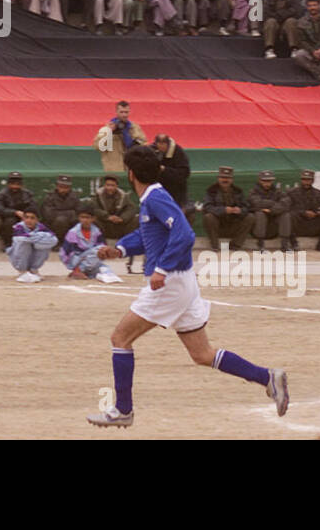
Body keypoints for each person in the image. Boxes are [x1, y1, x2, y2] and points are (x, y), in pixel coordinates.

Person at [88, 145, 289, 428]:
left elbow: (183, 233)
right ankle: (268, 377)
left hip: (169, 284)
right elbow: (150, 233)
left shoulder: (155, 197)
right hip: (182, 282)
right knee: (202, 354)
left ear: (130, 174)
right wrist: (120, 249)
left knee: (120, 339)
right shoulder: (153, 197)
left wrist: (161, 269)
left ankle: (123, 409)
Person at [60, 209, 119, 282]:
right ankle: (77, 270)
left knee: (104, 269)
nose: (85, 220)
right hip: (76, 260)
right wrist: (75, 264)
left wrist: (107, 254)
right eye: (82, 217)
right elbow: (65, 253)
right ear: (79, 218)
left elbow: (102, 250)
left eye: (87, 217)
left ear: (93, 219)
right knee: (98, 250)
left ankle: (85, 272)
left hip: (91, 260)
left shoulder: (96, 231)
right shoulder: (73, 232)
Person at [285, 169, 320, 251]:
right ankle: (294, 244)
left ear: (313, 180)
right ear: (301, 180)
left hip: (313, 223)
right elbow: (286, 207)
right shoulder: (292, 193)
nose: (306, 182)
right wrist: (303, 212)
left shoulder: (319, 194)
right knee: (288, 216)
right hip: (298, 224)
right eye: (304, 179)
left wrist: (318, 212)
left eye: (308, 180)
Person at [94, 100, 146, 173]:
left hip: (131, 168)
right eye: (121, 112)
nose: (124, 115)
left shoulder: (134, 127)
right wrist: (109, 132)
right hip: (114, 168)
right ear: (116, 112)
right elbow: (98, 146)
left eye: (126, 112)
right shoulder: (107, 128)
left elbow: (143, 144)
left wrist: (130, 135)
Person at [7, 209, 57, 284]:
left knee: (43, 245)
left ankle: (34, 269)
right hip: (18, 256)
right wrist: (39, 237)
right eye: (26, 217)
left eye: (32, 218)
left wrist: (35, 238)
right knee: (24, 244)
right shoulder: (19, 227)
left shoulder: (41, 227)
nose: (29, 220)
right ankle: (22, 271)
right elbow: (21, 239)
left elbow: (53, 239)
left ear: (37, 220)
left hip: (34, 254)